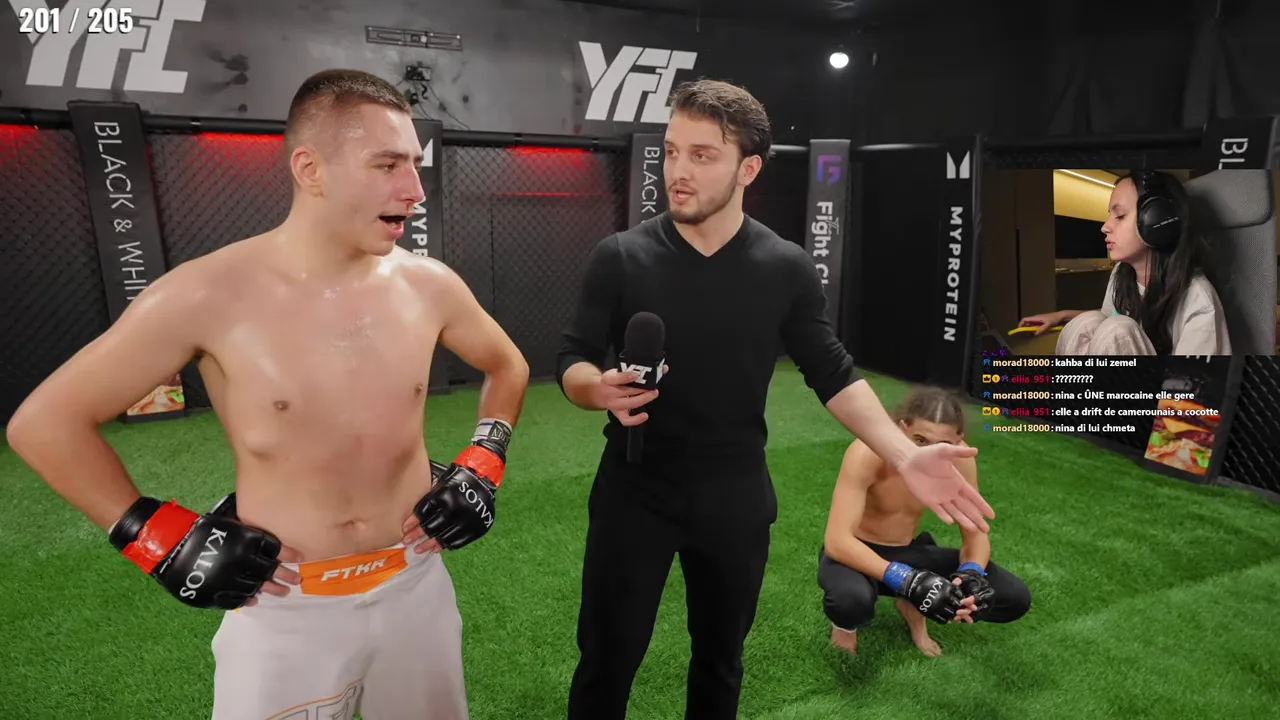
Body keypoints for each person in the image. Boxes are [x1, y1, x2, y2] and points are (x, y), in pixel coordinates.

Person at [5, 68, 530, 720]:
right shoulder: (207, 293)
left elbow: (507, 366)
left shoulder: (431, 286)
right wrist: (155, 538)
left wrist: (483, 462)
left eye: (414, 166)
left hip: (415, 586)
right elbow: (45, 423)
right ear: (311, 169)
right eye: (388, 164)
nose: (414, 190)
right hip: (284, 608)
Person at [554, 78, 995, 720]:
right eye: (671, 152)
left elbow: (832, 372)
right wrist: (594, 388)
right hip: (633, 491)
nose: (677, 171)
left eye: (702, 155)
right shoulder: (619, 258)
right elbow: (572, 357)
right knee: (605, 661)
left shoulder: (784, 267)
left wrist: (904, 455)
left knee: (719, 663)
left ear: (748, 168)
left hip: (733, 498)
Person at [818, 387, 1031, 658]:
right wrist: (906, 579)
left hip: (907, 552)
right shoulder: (867, 453)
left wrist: (972, 573)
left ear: (958, 440)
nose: (929, 453)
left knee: (1013, 597)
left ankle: (910, 605)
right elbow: (837, 541)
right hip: (855, 554)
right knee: (850, 601)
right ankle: (845, 628)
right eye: (919, 440)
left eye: (943, 445)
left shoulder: (961, 461)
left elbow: (975, 536)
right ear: (901, 428)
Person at [1018, 170, 1231, 355]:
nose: (1104, 227)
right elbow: (1108, 316)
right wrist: (1061, 316)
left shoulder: (1199, 300)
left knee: (1118, 331)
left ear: (1156, 221)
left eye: (1119, 216)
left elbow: (1193, 383)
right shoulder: (1122, 272)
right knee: (1085, 324)